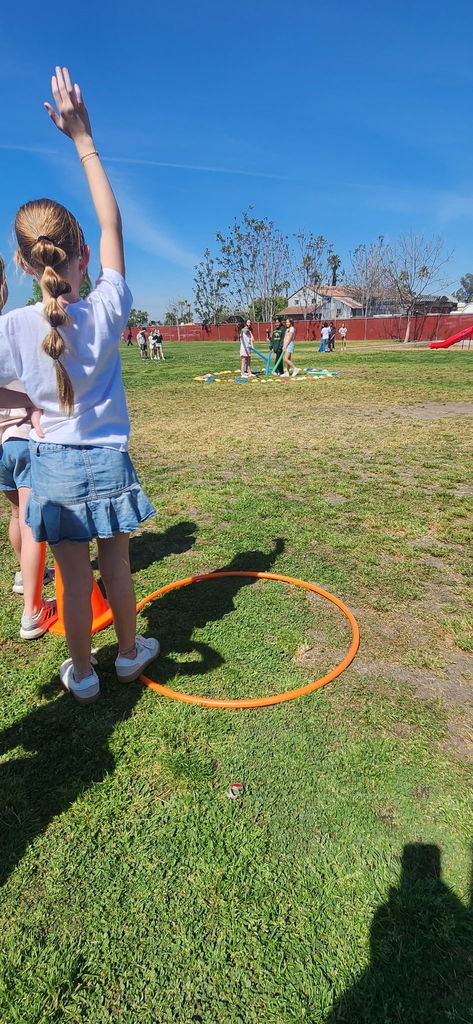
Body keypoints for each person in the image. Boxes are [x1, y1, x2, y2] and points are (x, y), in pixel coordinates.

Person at [0, 66, 159, 704]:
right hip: (110, 458)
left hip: (55, 464)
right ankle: (127, 654)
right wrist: (82, 138)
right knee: (115, 565)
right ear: (83, 254)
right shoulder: (109, 307)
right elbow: (115, 224)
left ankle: (83, 674)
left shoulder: (12, 328)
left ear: (20, 261)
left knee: (70, 579)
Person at [0, 256, 55, 638]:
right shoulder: (8, 330)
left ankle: (26, 574)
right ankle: (33, 611)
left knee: (17, 513)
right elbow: (32, 384)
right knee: (32, 521)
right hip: (20, 439)